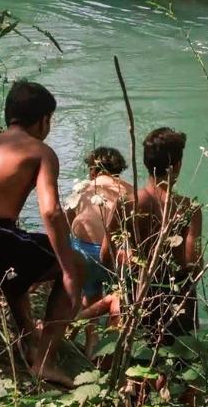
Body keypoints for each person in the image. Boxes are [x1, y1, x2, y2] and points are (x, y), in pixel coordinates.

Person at [0, 81, 84, 386]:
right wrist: (68, 264)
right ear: (43, 120)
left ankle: (29, 337)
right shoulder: (41, 151)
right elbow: (51, 212)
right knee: (74, 265)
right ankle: (44, 361)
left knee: (21, 253)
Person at [79, 128, 202, 347]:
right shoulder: (189, 209)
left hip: (137, 292)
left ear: (145, 163)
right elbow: (193, 263)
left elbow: (106, 255)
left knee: (137, 358)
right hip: (176, 298)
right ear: (176, 166)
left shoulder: (127, 203)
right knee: (177, 363)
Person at [66, 146, 133, 357]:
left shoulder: (84, 188)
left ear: (93, 170)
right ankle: (113, 348)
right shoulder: (129, 190)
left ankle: (90, 341)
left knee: (91, 293)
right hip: (116, 253)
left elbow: (68, 220)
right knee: (118, 297)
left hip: (85, 252)